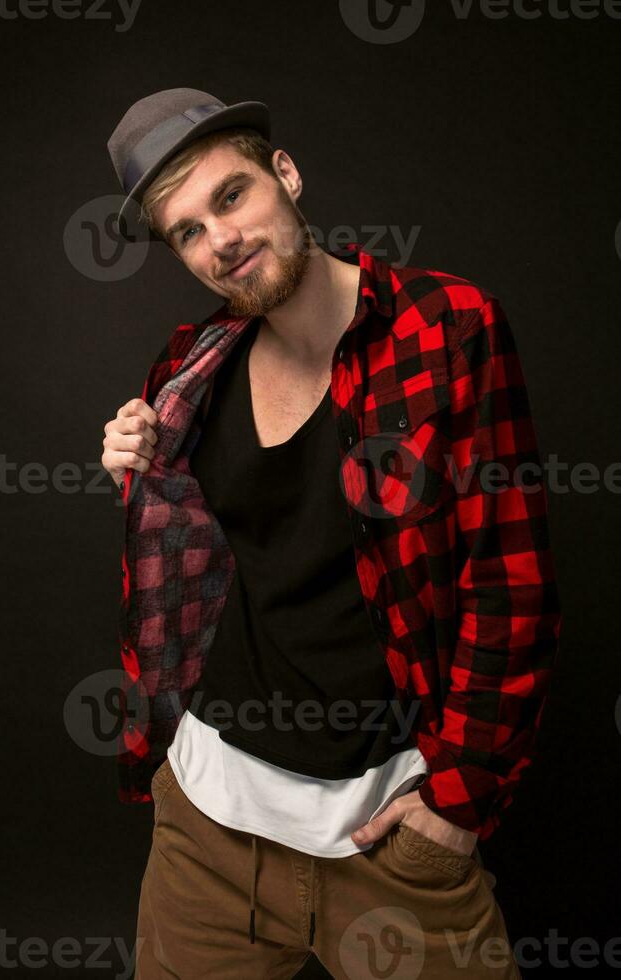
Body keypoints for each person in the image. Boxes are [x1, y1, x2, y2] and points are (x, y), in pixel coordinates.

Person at [102, 87, 561, 979]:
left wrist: (461, 803)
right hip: (207, 827)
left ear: (285, 173)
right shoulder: (189, 369)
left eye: (230, 197)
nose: (220, 240)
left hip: (388, 838)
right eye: (188, 231)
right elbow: (191, 561)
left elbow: (512, 583)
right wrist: (140, 464)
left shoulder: (448, 327)